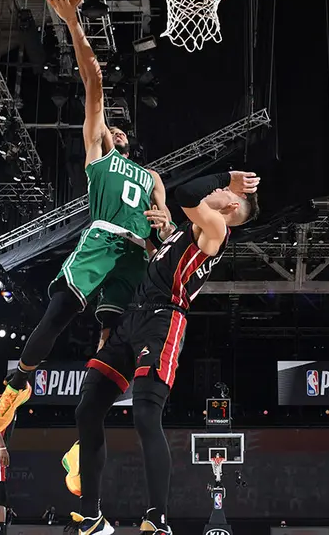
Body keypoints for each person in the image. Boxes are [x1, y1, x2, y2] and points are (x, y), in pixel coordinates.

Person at [0, 0, 171, 435]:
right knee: (58, 313)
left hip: (136, 255)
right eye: (112, 127)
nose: (117, 132)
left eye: (123, 131)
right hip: (102, 239)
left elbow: (166, 233)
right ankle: (19, 384)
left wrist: (165, 227)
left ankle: (85, 435)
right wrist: (71, 20)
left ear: (132, 142)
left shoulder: (153, 178)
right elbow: (93, 81)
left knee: (114, 345)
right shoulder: (97, 156)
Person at [61, 171, 260, 535]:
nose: (215, 191)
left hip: (165, 319)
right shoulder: (184, 232)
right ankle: (92, 516)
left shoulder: (216, 227)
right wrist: (157, 232)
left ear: (231, 205)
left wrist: (228, 177)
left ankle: (158, 519)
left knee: (145, 416)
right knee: (87, 409)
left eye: (221, 192)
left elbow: (187, 192)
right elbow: (160, 260)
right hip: (133, 318)